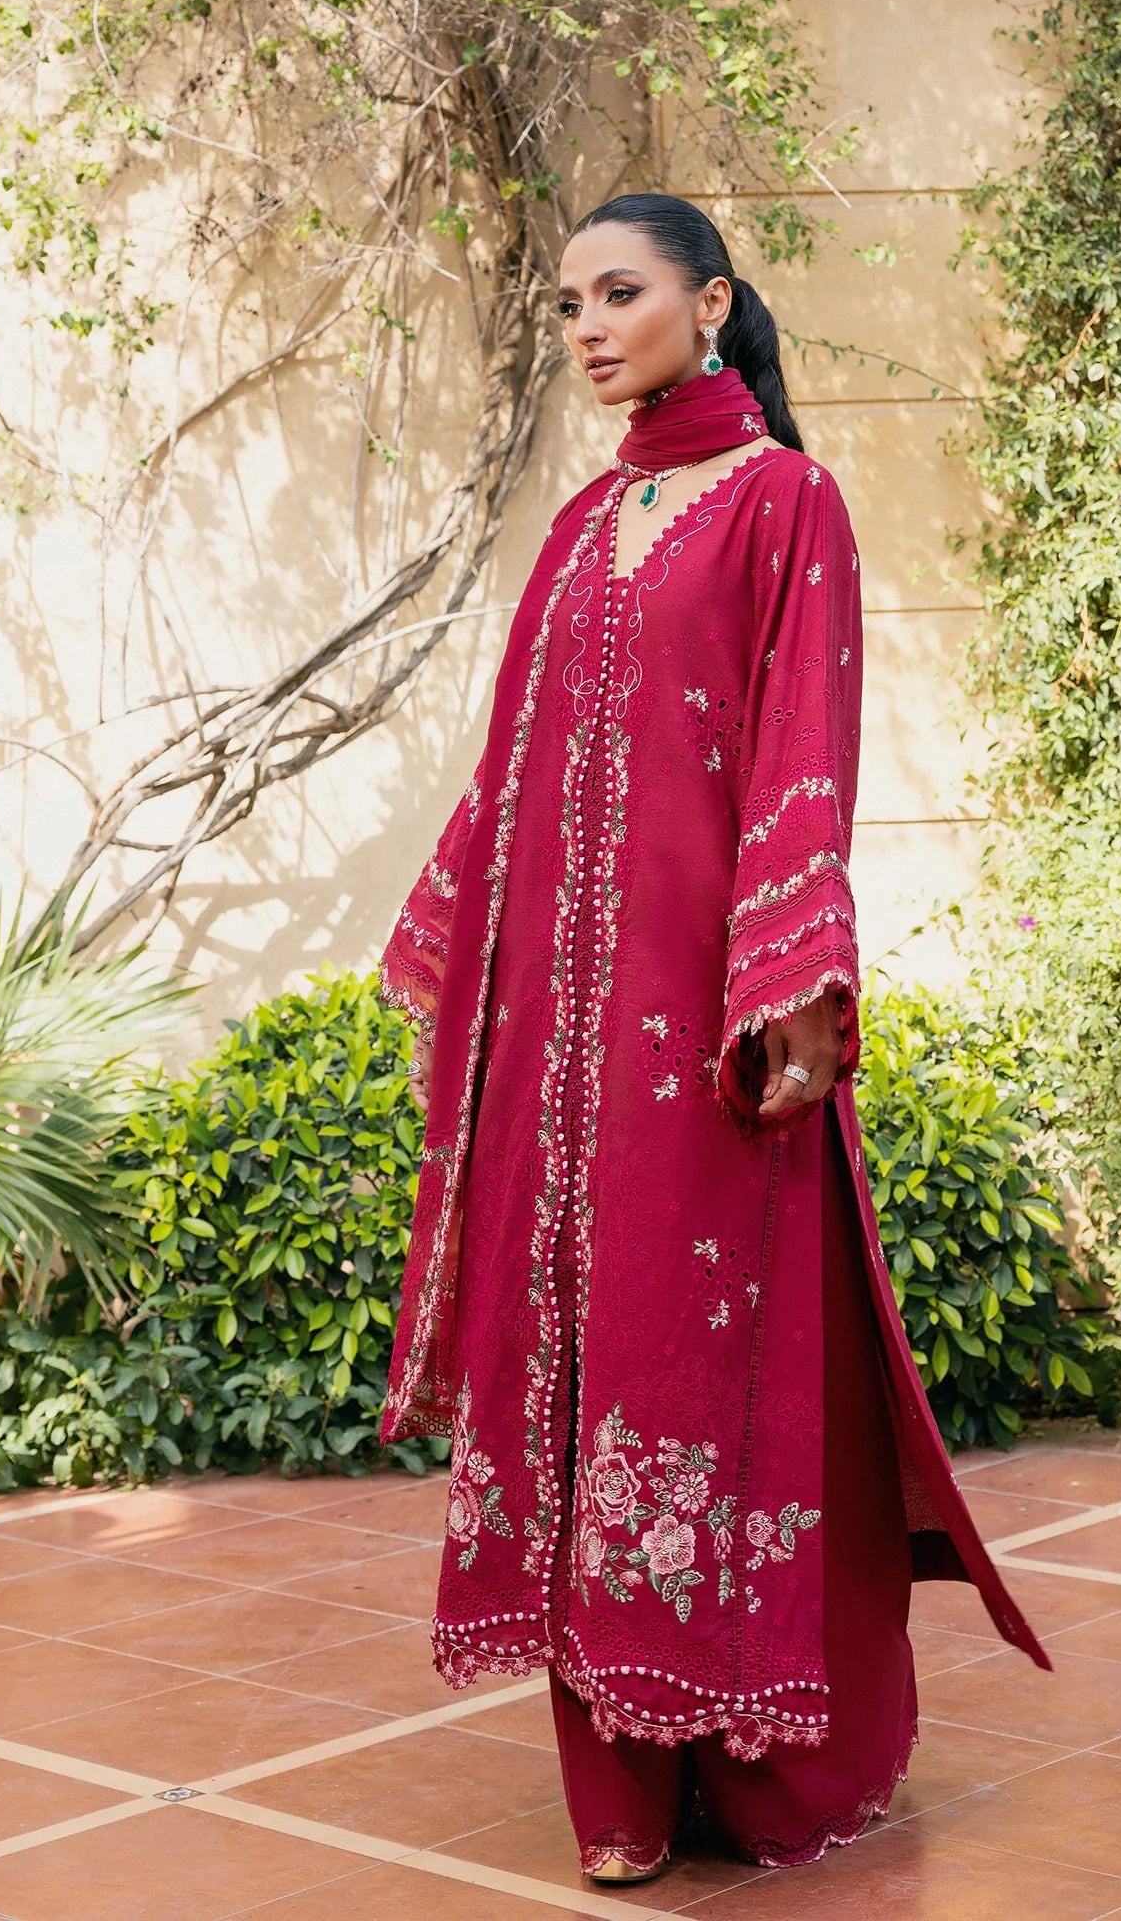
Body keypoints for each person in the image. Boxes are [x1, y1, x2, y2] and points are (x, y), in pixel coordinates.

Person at [376, 193, 1047, 1884]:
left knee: (693, 1374)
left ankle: (748, 1772)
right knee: (569, 1373)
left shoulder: (783, 506)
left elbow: (802, 754)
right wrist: (461, 983)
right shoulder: (584, 524)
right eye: (569, 303)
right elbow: (508, 784)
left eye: (622, 293)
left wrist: (785, 990)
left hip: (701, 1042)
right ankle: (612, 1789)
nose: (591, 326)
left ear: (710, 303)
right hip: (552, 1044)